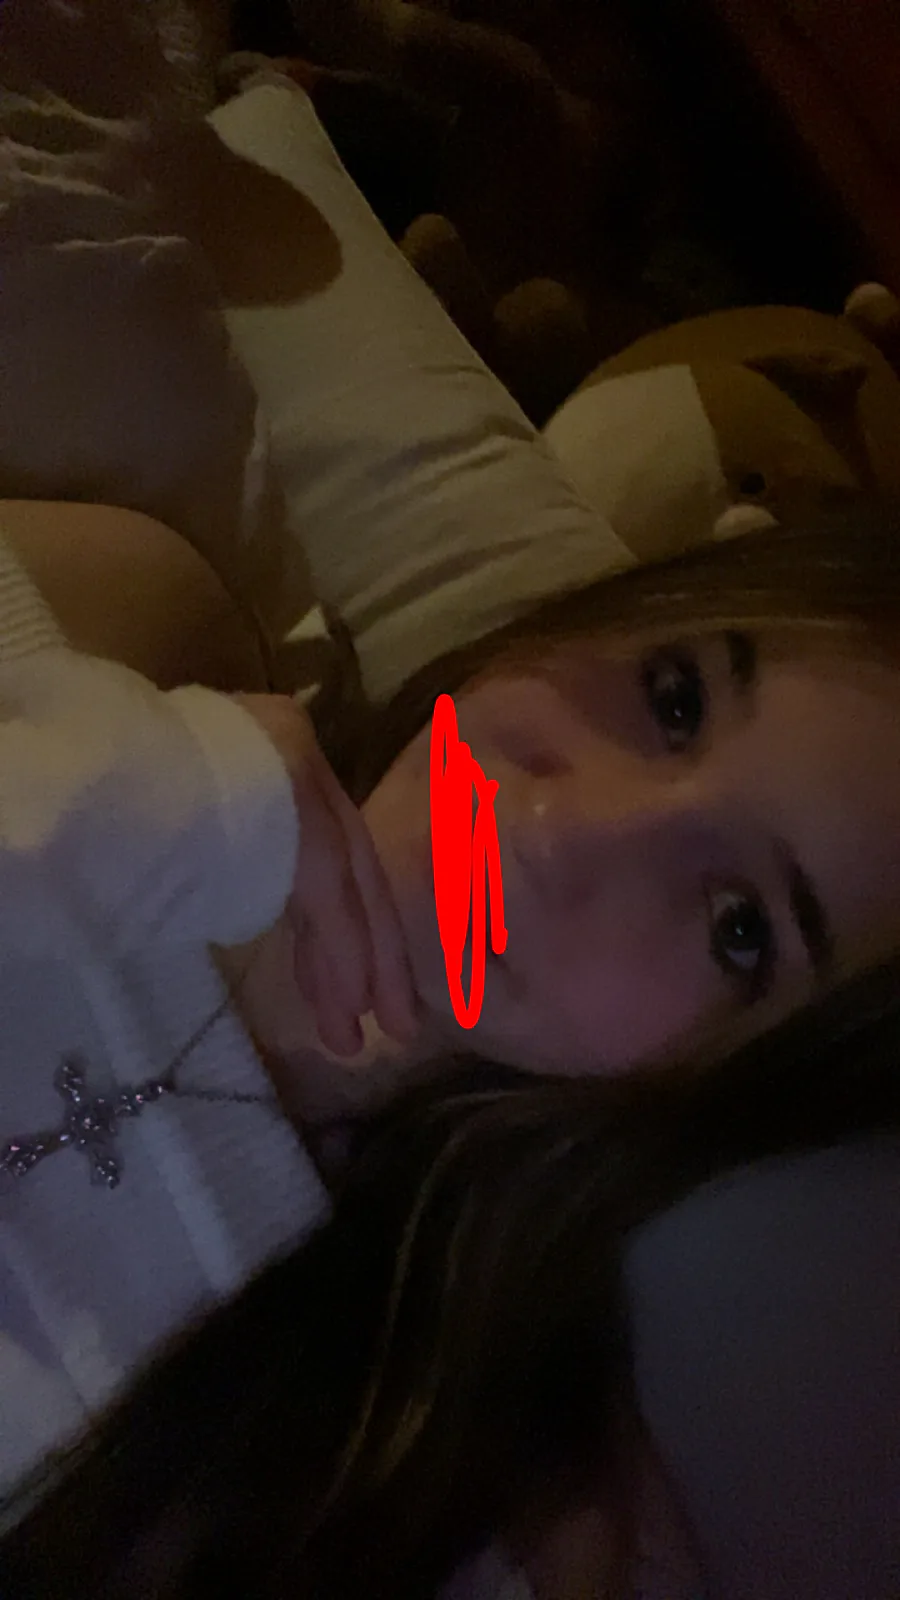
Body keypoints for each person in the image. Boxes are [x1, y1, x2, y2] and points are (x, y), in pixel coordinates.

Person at [2, 499, 900, 1599]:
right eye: (676, 697)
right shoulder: (100, 625)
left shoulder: (415, 1481)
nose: (566, 831)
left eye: (738, 927)